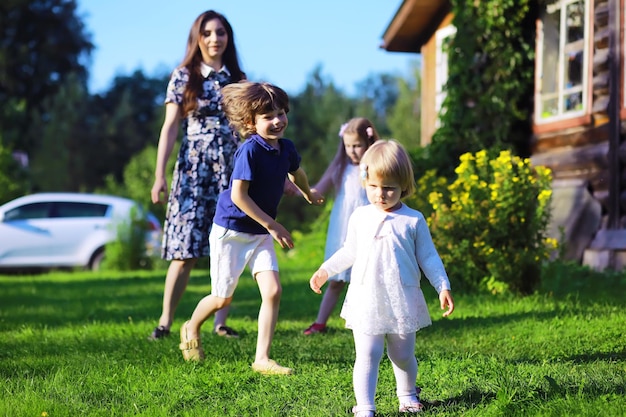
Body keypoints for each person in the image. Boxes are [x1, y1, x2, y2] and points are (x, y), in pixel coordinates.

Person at [178, 81, 324, 375]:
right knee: (222, 298)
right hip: (231, 231)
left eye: (281, 113)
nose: (277, 121)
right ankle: (191, 327)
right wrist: (272, 224)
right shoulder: (249, 151)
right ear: (250, 122)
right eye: (268, 116)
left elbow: (297, 173)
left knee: (272, 292)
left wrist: (308, 192)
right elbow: (238, 196)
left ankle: (262, 358)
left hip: (259, 234)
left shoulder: (286, 148)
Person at [309, 140, 455, 416]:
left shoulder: (412, 220)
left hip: (403, 297)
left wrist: (442, 286)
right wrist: (326, 270)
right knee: (367, 354)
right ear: (366, 182)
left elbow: (429, 257)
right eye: (374, 186)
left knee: (401, 354)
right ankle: (364, 406)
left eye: (389, 187)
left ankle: (408, 395)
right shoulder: (360, 216)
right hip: (366, 297)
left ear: (404, 186)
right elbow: (349, 250)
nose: (380, 194)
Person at [149, 10, 246, 341]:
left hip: (231, 173)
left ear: (227, 37)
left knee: (229, 246)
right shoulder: (183, 76)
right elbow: (171, 126)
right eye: (207, 33)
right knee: (184, 251)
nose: (214, 39)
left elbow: (250, 130)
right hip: (193, 172)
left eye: (220, 32)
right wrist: (159, 175)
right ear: (197, 38)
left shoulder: (238, 79)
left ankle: (220, 323)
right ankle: (164, 322)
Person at [303, 117, 379, 335]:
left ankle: (372, 322)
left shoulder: (375, 167)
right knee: (336, 279)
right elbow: (319, 190)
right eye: (348, 146)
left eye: (357, 145)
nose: (352, 151)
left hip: (370, 228)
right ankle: (320, 322)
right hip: (343, 230)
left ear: (368, 143)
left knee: (370, 277)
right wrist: (300, 189)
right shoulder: (340, 167)